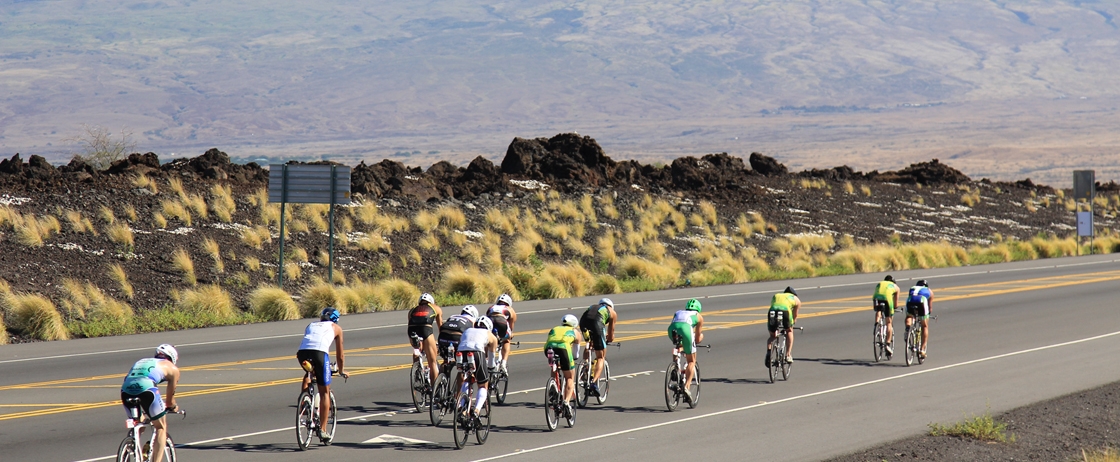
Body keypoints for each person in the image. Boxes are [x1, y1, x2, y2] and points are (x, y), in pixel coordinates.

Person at [120, 344, 180, 462]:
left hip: (126, 389)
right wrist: (173, 407)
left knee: (139, 422)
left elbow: (127, 378)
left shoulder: (142, 361)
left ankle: (132, 446)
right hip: (147, 388)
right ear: (172, 358)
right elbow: (169, 400)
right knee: (161, 427)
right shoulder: (172, 368)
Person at [296, 307, 349, 443]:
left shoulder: (311, 324)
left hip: (302, 353)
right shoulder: (336, 328)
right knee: (324, 391)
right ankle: (323, 430)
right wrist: (341, 371)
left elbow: (310, 340)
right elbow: (340, 355)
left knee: (309, 373)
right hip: (320, 354)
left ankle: (305, 402)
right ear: (335, 319)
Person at [456, 316, 499, 419]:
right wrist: (491, 370)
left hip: (461, 352)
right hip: (476, 352)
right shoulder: (490, 335)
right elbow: (491, 361)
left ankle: (462, 408)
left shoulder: (468, 330)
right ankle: (477, 410)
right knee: (483, 385)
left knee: (467, 379)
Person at [544, 314, 584, 416]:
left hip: (548, 348)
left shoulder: (554, 328)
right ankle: (566, 402)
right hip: (563, 348)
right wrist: (571, 362)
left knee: (554, 365)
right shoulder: (575, 332)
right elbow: (576, 354)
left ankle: (553, 387)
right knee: (570, 377)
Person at [578, 297, 617, 396]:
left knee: (589, 344)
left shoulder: (593, 307)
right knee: (600, 357)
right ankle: (594, 383)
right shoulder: (612, 312)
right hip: (597, 323)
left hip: (583, 322)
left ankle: (585, 367)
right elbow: (611, 335)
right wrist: (608, 339)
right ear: (611, 306)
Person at [667, 299, 703, 403]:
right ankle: (686, 387)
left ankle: (675, 367)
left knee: (679, 345)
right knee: (692, 361)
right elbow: (697, 338)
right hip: (686, 329)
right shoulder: (698, 316)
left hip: (672, 329)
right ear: (698, 309)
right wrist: (700, 339)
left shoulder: (678, 312)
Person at [438, 305, 479, 391]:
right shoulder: (473, 321)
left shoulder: (453, 316)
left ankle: (440, 388)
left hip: (443, 337)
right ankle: (458, 397)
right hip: (457, 338)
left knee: (446, 362)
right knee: (463, 367)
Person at [407, 293, 443, 385]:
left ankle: (417, 368)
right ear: (431, 302)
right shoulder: (436, 308)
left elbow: (410, 324)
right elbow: (441, 328)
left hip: (412, 330)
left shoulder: (412, 311)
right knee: (432, 362)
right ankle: (434, 390)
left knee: (417, 349)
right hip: (426, 329)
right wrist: (441, 341)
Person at [767, 287, 801, 364]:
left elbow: (775, 305)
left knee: (772, 336)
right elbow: (795, 316)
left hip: (772, 311)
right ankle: (788, 355)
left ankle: (768, 353)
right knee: (789, 331)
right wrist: (791, 324)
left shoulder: (776, 295)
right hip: (785, 311)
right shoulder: (796, 299)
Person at [486, 294, 517, 373]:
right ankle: (504, 362)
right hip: (501, 322)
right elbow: (510, 328)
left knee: (488, 341)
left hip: (491, 321)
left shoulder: (491, 307)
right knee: (507, 340)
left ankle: (486, 359)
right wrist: (510, 335)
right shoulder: (510, 309)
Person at [905, 280, 934, 359]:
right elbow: (930, 308)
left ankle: (908, 329)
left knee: (909, 317)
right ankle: (922, 349)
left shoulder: (912, 288)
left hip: (910, 300)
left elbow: (913, 298)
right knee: (924, 326)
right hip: (921, 301)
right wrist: (926, 316)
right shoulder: (929, 291)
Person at [872, 275, 900, 356]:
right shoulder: (895, 286)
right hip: (887, 298)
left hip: (876, 298)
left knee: (878, 310)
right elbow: (896, 303)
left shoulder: (880, 283)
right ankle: (887, 344)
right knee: (889, 322)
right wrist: (894, 308)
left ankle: (876, 324)